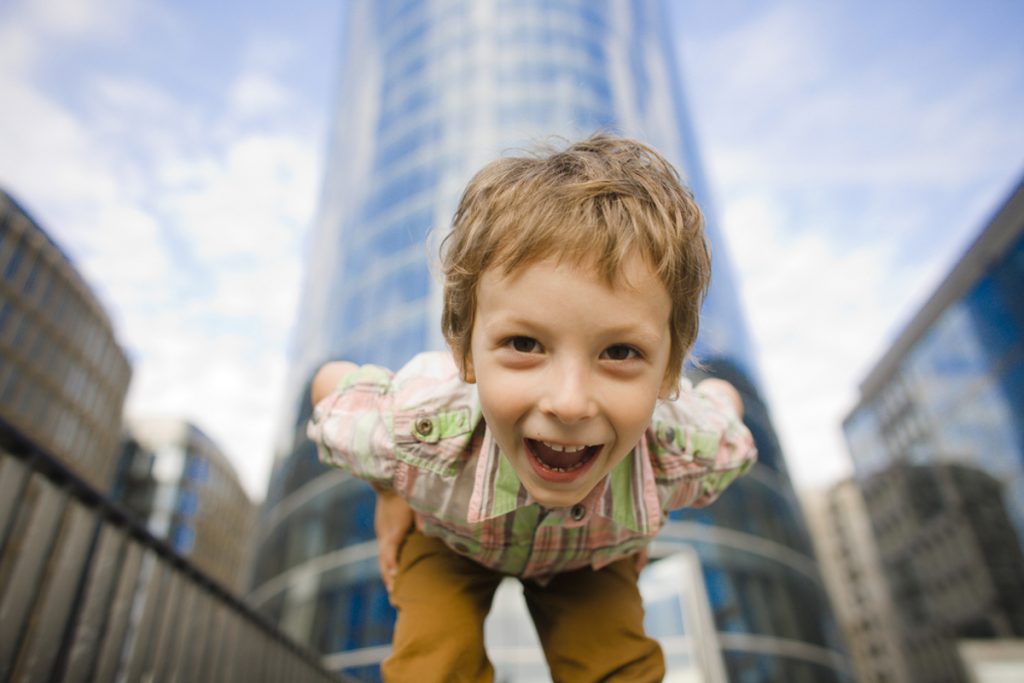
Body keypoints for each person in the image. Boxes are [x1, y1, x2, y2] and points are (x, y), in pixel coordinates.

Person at [308, 133, 757, 682]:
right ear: (465, 353)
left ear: (668, 374)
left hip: (589, 557)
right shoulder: (413, 426)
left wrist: (713, 408)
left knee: (618, 665)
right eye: (524, 345)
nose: (568, 403)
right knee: (434, 659)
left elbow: (725, 414)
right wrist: (388, 487)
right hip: (449, 538)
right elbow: (330, 382)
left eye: (619, 352)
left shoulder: (686, 448)